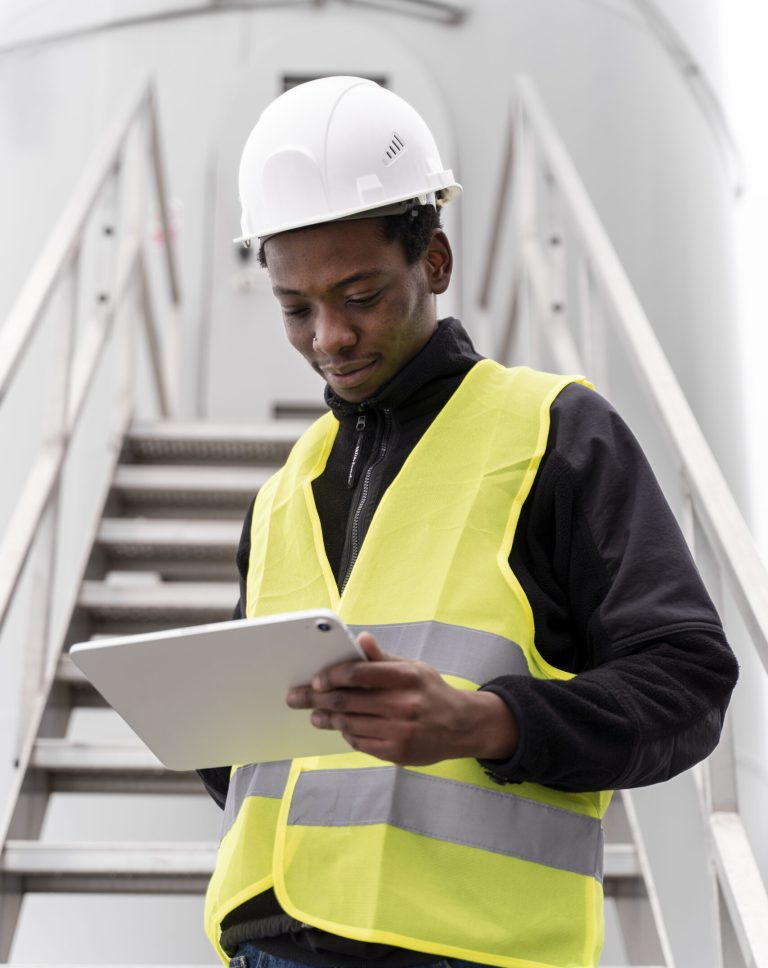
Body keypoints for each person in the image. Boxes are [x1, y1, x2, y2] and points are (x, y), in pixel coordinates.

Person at [198, 76, 738, 968]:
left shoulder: (555, 433)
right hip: (267, 945)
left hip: (472, 951)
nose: (329, 337)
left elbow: (689, 684)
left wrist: (490, 723)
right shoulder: (287, 487)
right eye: (297, 308)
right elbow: (250, 767)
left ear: (435, 263)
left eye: (360, 295)